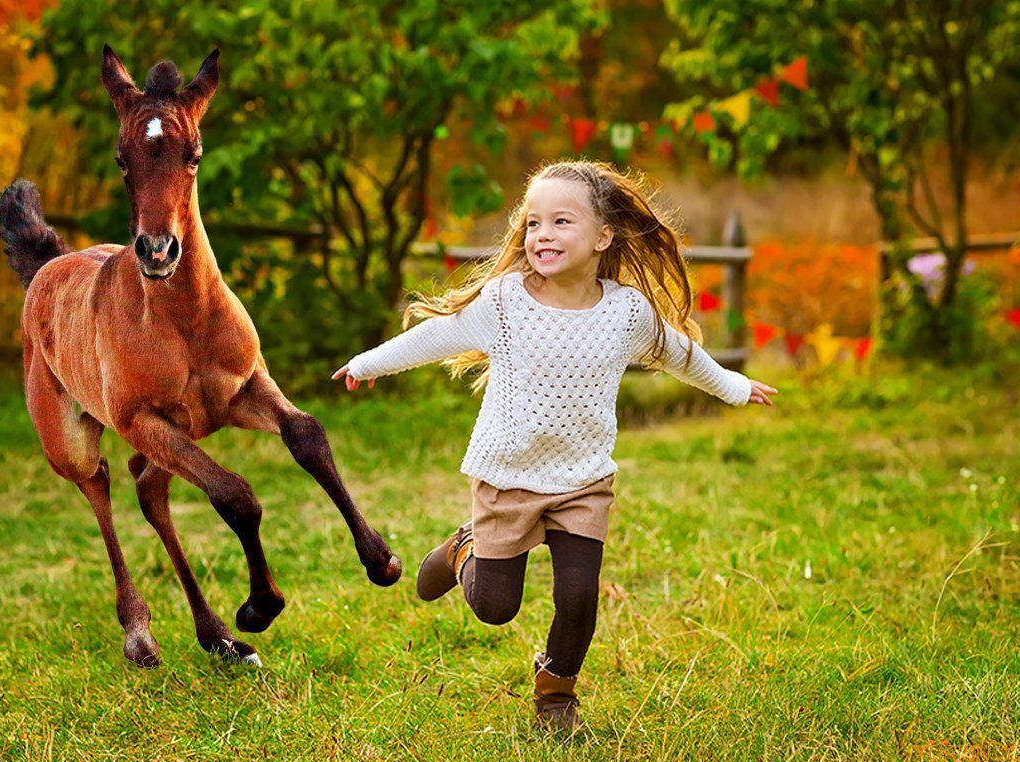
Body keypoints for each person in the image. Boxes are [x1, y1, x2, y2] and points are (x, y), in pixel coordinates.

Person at [333, 160, 777, 732]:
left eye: (561, 221)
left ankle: (556, 693)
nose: (543, 235)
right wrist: (371, 363)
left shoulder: (626, 312)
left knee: (578, 596)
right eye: (534, 223)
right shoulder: (504, 303)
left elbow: (679, 354)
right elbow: (435, 335)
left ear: (602, 237)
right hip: (509, 476)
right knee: (495, 608)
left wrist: (736, 387)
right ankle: (466, 548)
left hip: (583, 479)